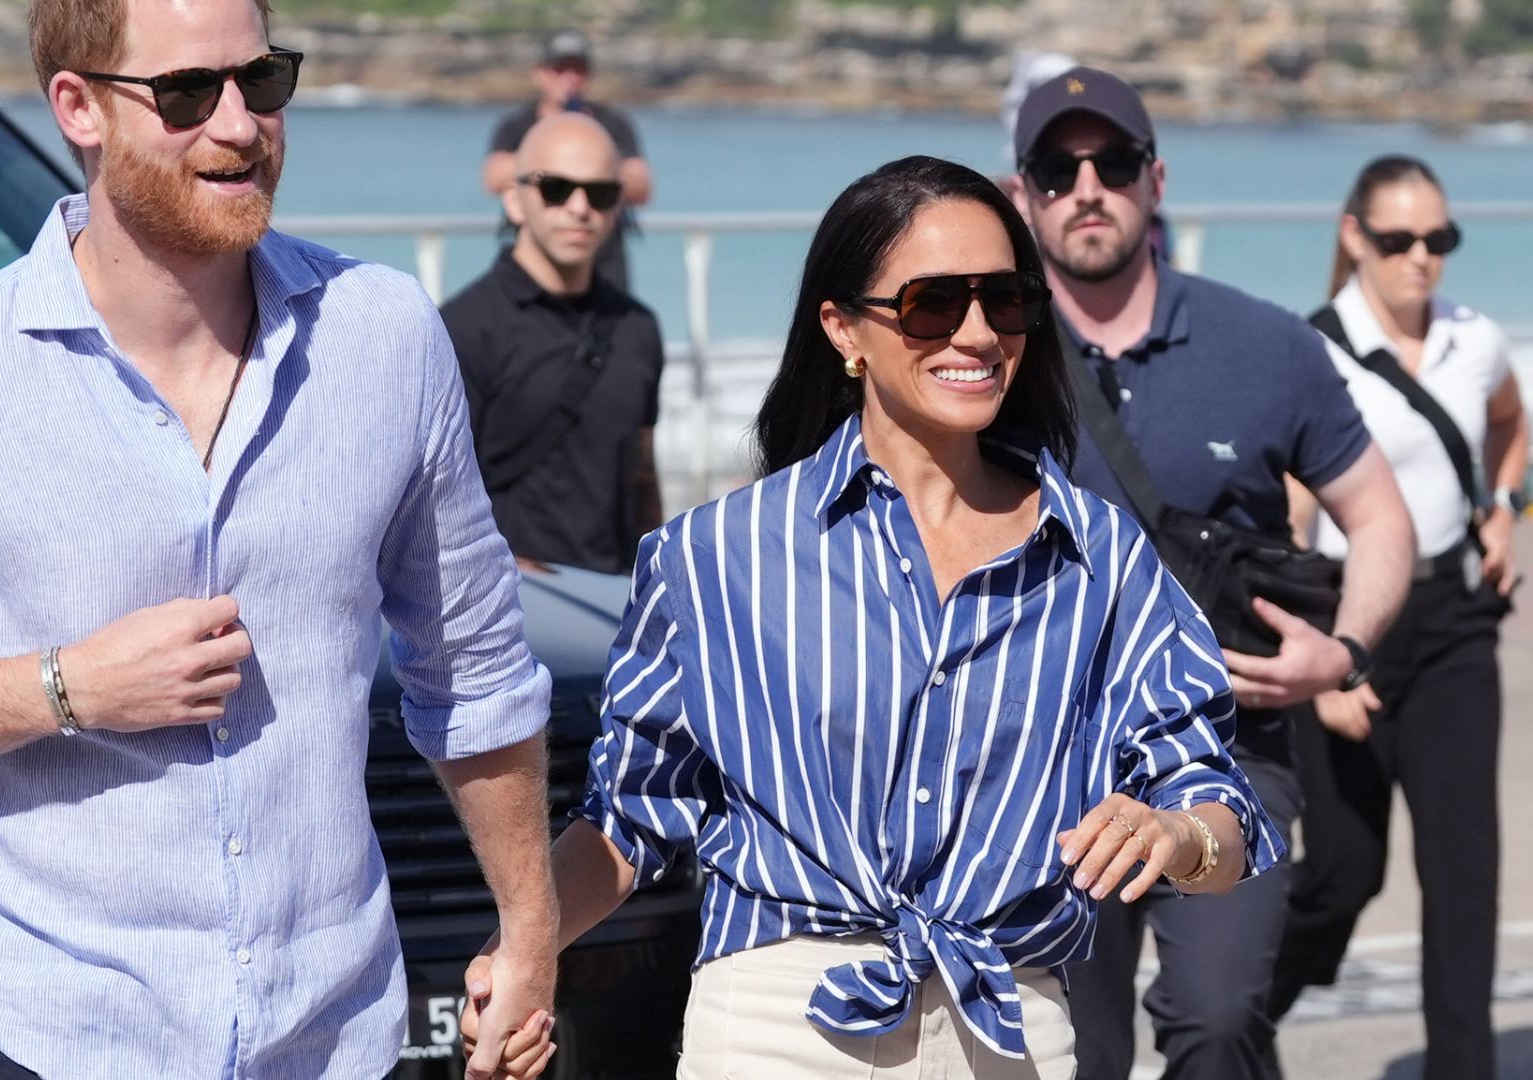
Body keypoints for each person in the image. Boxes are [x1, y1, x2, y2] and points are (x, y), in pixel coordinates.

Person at [0, 0, 559, 1076]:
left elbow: (475, 669)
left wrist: (531, 930)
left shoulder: (387, 338)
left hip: (326, 1037)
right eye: (186, 93)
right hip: (42, 1030)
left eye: (261, 80)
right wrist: (66, 687)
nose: (239, 124)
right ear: (78, 107)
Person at [461, 155, 1285, 1080]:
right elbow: (631, 818)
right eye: (934, 304)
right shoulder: (715, 555)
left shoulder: (1101, 554)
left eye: (1005, 299)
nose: (978, 333)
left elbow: (1218, 803)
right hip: (777, 1033)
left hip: (1013, 1031)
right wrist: (520, 955)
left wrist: (1178, 838)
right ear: (843, 328)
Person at [1004, 68, 1416, 1080]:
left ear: (1157, 180)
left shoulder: (1266, 344)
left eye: (1114, 163)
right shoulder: (984, 355)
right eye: (1057, 168)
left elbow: (1379, 517)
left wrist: (1342, 654)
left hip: (1227, 757)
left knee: (1218, 1018)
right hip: (1043, 772)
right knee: (1074, 1053)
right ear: (1022, 194)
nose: (1087, 187)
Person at [1268, 154, 1525, 1080]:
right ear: (1355, 236)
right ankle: (1233, 1021)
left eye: (1439, 238)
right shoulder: (1316, 351)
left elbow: (1509, 423)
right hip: (1348, 616)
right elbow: (1289, 520)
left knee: (1464, 874)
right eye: (1399, 239)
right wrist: (1327, 664)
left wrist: (1505, 508)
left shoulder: (1474, 337)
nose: (1422, 256)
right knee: (1344, 872)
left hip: (1455, 617)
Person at [443, 112, 664, 575]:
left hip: (616, 595)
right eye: (556, 189)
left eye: (601, 194)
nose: (580, 208)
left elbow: (641, 475)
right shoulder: (461, 328)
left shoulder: (638, 328)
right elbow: (432, 493)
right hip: (507, 597)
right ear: (515, 200)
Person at [482, 29, 652, 291]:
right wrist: (558, 148)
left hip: (604, 259)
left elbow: (641, 186)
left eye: (578, 70)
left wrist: (587, 151)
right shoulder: (516, 125)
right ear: (540, 73)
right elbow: (493, 178)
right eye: (559, 69)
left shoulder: (613, 123)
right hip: (536, 256)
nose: (569, 78)